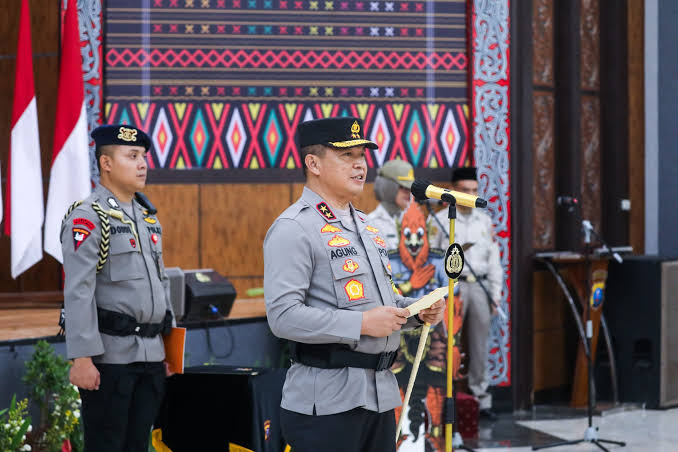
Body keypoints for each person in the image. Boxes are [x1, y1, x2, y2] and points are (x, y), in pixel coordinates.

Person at [264, 117, 446, 452]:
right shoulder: (293, 227)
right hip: (326, 402)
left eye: (362, 155)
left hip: (377, 395)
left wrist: (416, 311)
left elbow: (376, 302)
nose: (360, 163)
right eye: (347, 156)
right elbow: (282, 317)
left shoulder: (363, 224)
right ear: (313, 163)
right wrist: (362, 324)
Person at [61, 124, 174, 452]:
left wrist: (167, 349)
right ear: (106, 164)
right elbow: (79, 291)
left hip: (151, 356)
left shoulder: (148, 218)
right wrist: (81, 358)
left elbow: (162, 284)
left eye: (144, 157)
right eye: (133, 156)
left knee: (138, 445)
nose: (143, 164)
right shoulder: (88, 218)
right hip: (110, 360)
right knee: (107, 445)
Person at [430, 166, 502, 419]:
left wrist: (496, 294)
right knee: (448, 343)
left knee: (480, 345)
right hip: (452, 288)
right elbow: (431, 260)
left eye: (474, 190)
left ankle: (482, 399)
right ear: (453, 191)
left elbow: (494, 261)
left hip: (479, 286)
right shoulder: (438, 220)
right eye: (465, 191)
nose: (470, 195)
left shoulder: (484, 221)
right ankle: (445, 397)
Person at [367, 159, 416, 250]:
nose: (408, 192)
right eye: (403, 187)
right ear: (387, 186)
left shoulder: (414, 221)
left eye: (410, 188)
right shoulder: (370, 224)